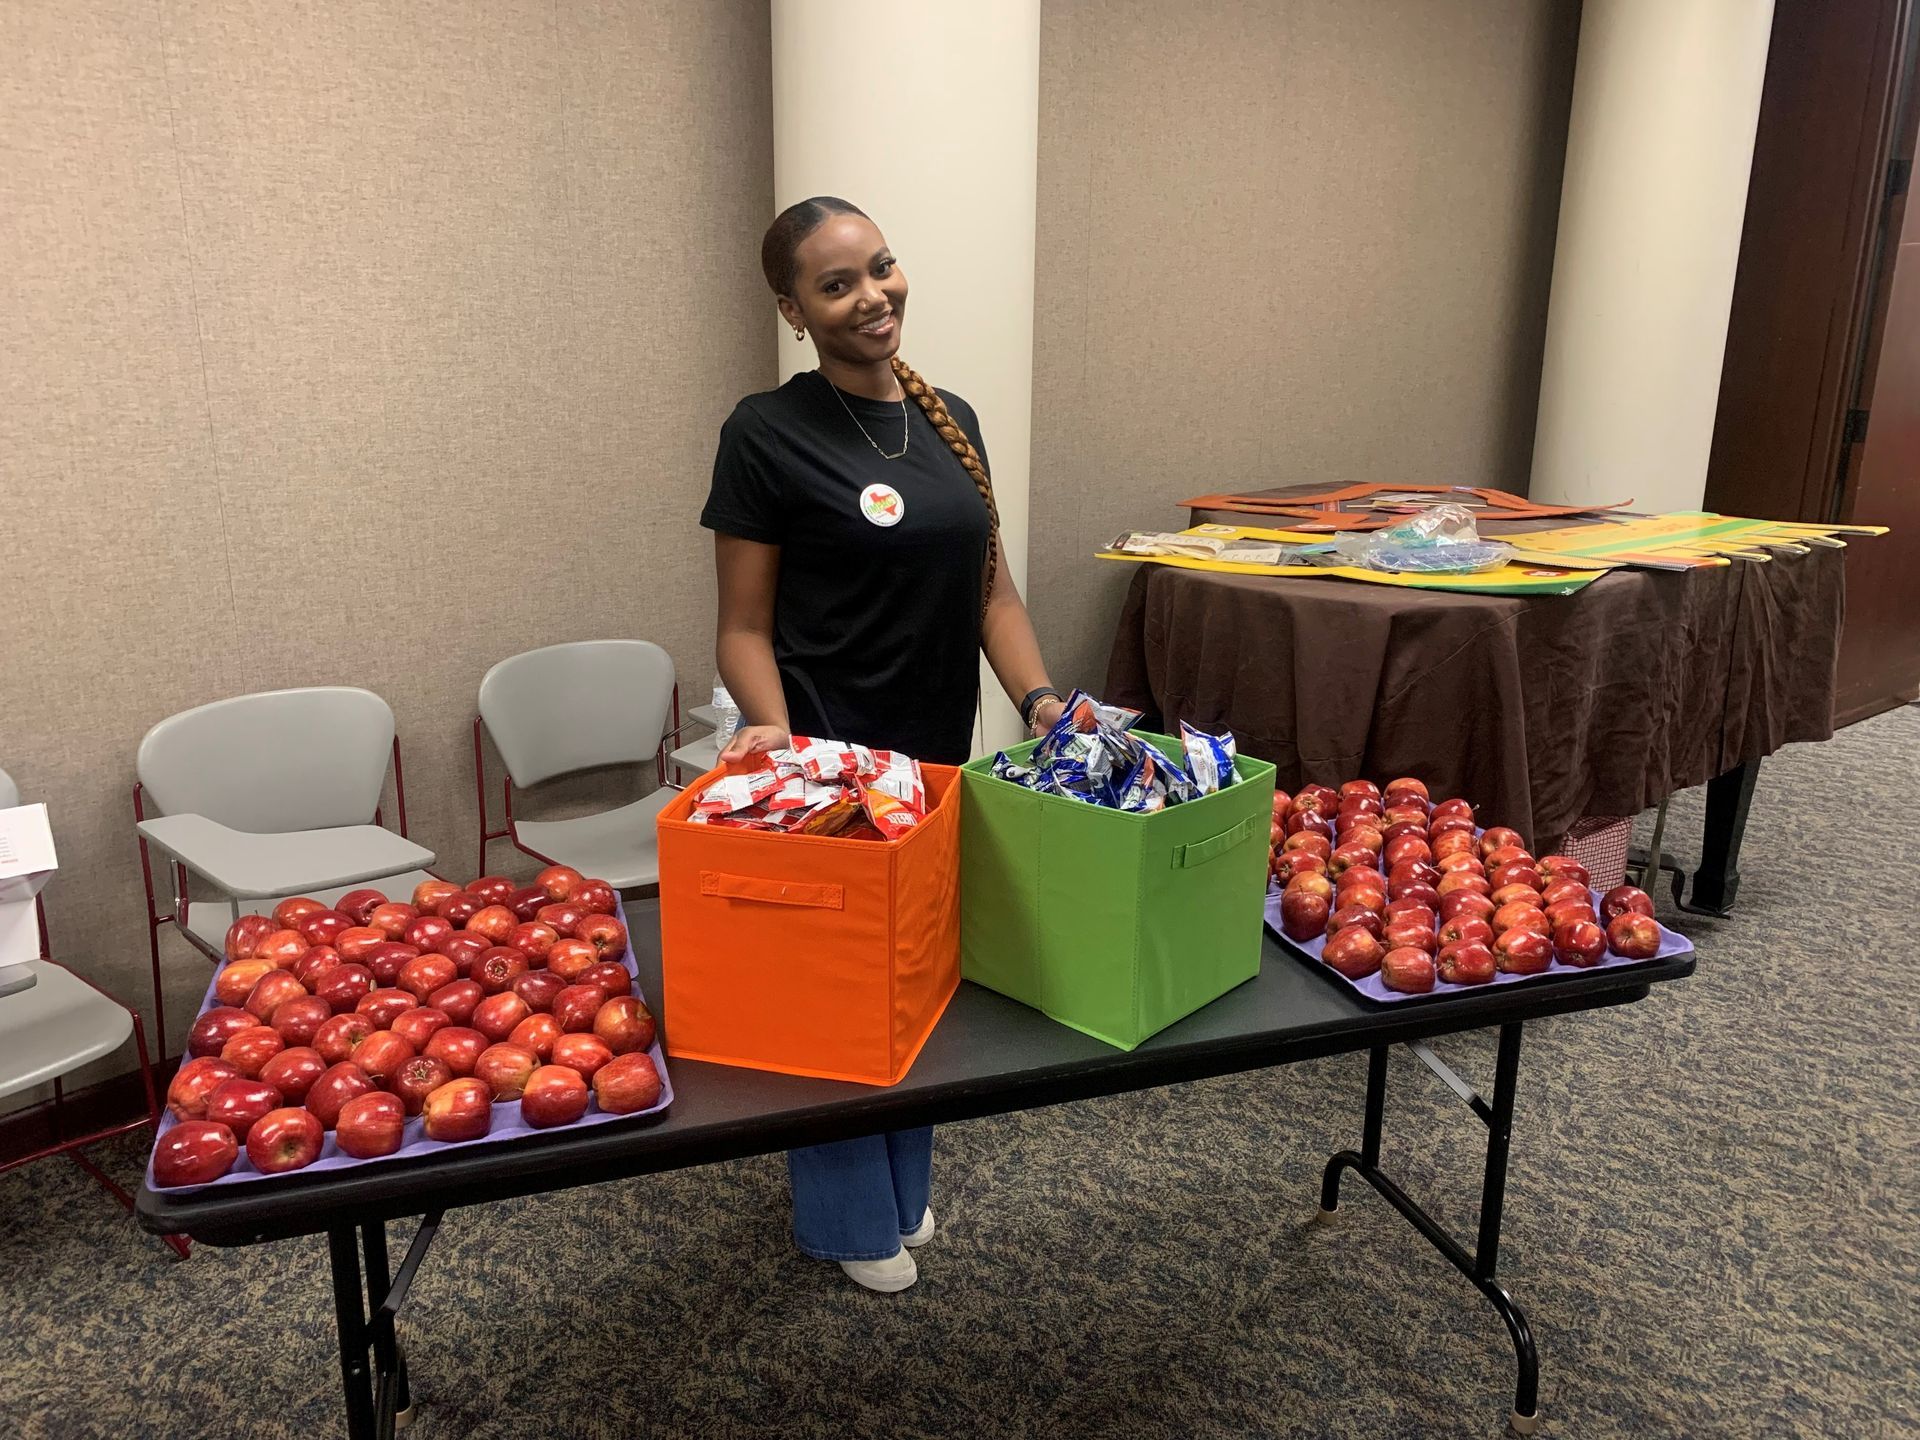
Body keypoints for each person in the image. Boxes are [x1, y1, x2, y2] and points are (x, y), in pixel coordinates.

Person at [701, 197, 1066, 1292]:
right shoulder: (764, 430)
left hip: (936, 763)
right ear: (794, 311)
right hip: (829, 765)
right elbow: (743, 626)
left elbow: (989, 592)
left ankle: (904, 1190)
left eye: (882, 269)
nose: (873, 297)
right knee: (833, 1001)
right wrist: (771, 726)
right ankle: (850, 1218)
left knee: (915, 981)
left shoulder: (945, 413)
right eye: (837, 284)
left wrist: (1043, 700)